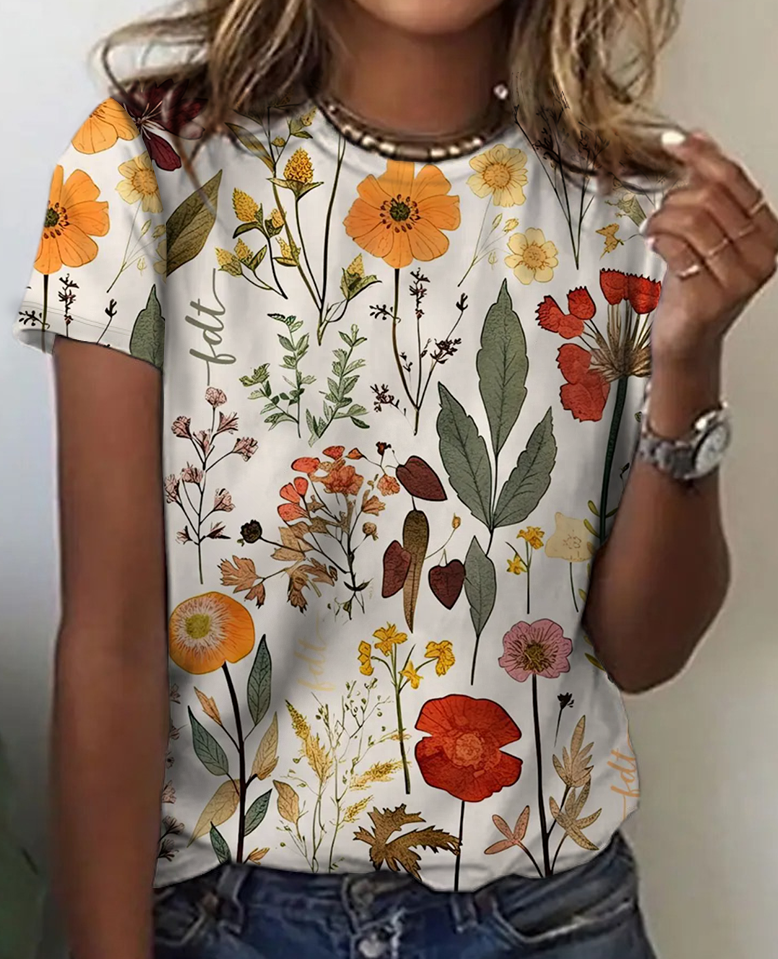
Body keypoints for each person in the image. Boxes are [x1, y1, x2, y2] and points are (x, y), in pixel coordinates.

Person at [11, 0, 778, 956]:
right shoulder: (147, 162)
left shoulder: (638, 206)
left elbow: (645, 649)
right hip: (222, 920)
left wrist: (691, 358)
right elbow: (108, 646)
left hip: (551, 917)